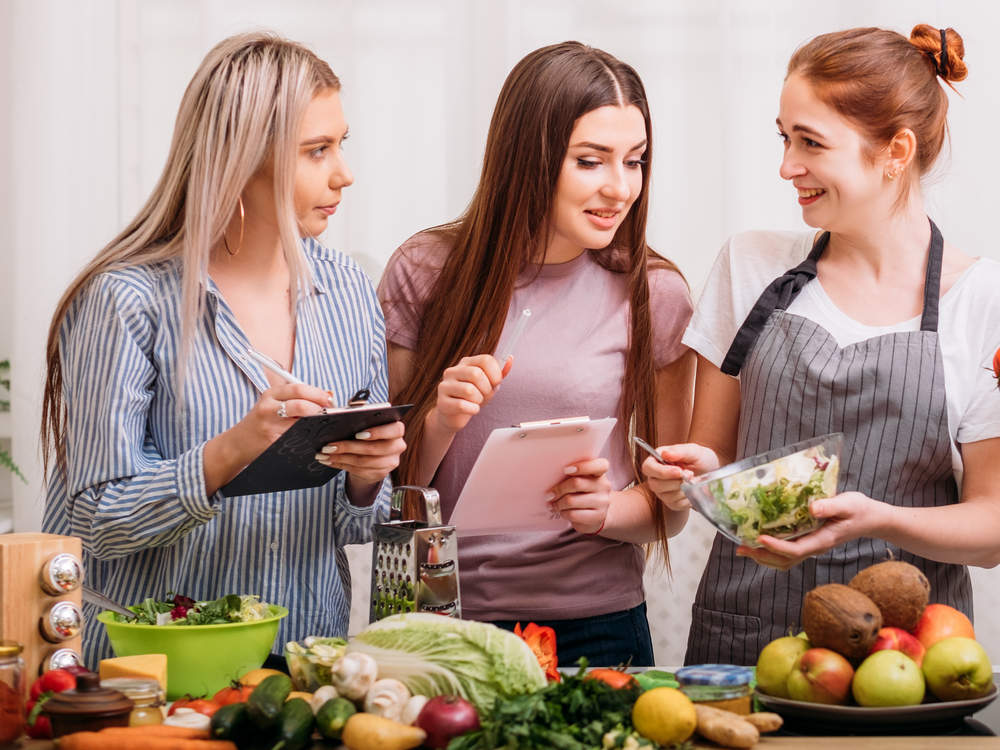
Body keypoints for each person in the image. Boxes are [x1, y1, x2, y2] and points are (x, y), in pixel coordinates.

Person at [40, 32, 406, 666]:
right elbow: (95, 518)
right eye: (316, 151)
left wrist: (368, 481)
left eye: (341, 145)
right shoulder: (127, 300)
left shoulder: (348, 291)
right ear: (241, 160)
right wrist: (230, 452)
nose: (343, 174)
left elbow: (357, 533)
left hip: (299, 669)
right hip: (153, 676)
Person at [642, 25, 1000, 665]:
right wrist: (687, 477)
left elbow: (991, 527)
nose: (787, 166)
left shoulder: (983, 301)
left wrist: (878, 518)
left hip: (907, 659)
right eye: (784, 137)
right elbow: (715, 458)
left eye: (811, 142)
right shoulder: (750, 266)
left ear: (896, 149)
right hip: (745, 640)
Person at [378, 41, 695, 666]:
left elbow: (669, 504)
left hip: (596, 626)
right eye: (590, 161)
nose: (620, 187)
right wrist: (441, 419)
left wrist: (607, 511)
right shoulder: (425, 271)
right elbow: (389, 487)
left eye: (634, 162)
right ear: (529, 157)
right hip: (442, 619)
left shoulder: (654, 293)